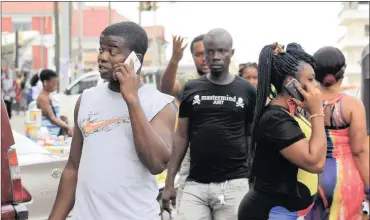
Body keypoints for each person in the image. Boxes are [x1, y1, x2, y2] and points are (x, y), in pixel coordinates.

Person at [49, 21, 177, 220]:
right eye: (101, 49)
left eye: (112, 51)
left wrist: (132, 100)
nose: (102, 57)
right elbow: (73, 167)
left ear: (136, 59)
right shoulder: (86, 99)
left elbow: (157, 163)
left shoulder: (161, 104)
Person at [164, 28, 256, 220]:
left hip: (234, 185)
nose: (215, 56)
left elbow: (251, 138)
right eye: (210, 51)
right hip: (195, 186)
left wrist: (253, 181)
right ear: (204, 53)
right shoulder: (191, 88)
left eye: (222, 51)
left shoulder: (246, 90)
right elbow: (181, 136)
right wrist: (169, 181)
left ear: (232, 53)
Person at [238, 43, 327, 219]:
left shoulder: (289, 112)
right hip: (272, 212)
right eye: (310, 79)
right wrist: (317, 112)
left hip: (288, 211)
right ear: (290, 83)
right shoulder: (275, 119)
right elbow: (315, 163)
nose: (315, 85)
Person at [306, 46, 369, 219]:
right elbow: (359, 151)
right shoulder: (352, 105)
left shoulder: (305, 102)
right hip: (345, 178)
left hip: (311, 177)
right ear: (342, 72)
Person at [161, 34, 210, 213]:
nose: (204, 58)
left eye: (208, 52)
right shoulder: (188, 81)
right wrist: (174, 60)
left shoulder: (233, 83)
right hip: (191, 168)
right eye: (198, 54)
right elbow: (166, 89)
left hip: (228, 172)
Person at [36, 69, 73, 137]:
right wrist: (67, 127)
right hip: (49, 133)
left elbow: (50, 115)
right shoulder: (43, 98)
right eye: (53, 84)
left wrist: (60, 117)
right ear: (45, 82)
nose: (55, 86)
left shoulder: (48, 96)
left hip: (54, 131)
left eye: (56, 84)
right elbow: (52, 118)